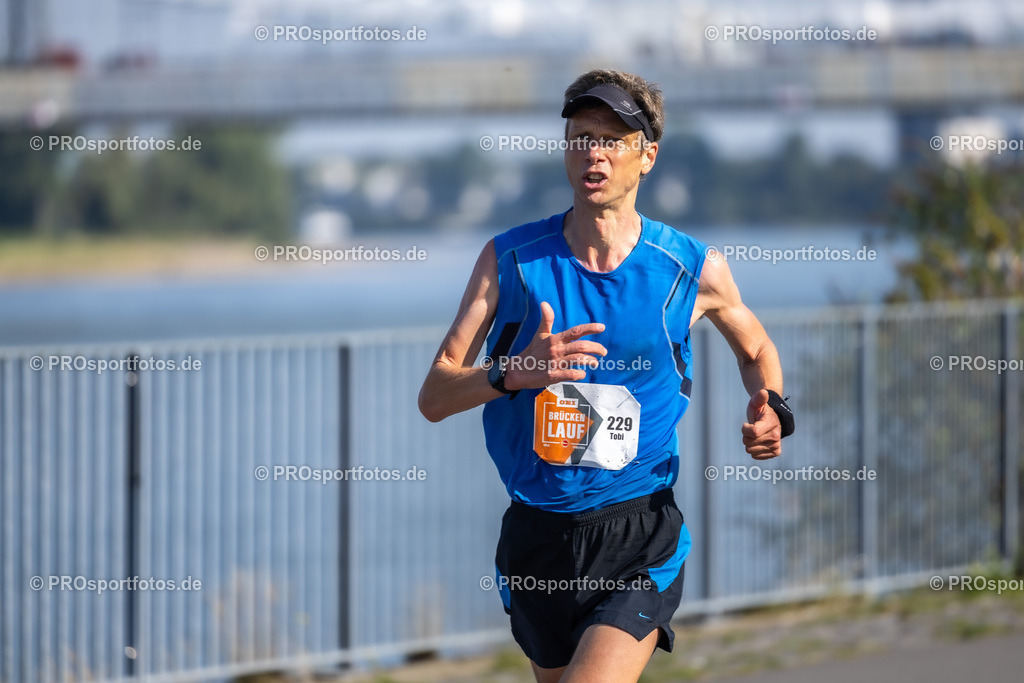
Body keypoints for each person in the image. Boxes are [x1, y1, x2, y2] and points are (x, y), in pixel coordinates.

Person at [418, 69, 794, 683]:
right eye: (581, 138)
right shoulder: (511, 260)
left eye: (612, 140)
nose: (594, 153)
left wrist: (770, 403)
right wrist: (515, 371)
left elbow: (755, 350)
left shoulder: (690, 268)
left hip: (639, 531)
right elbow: (434, 396)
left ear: (647, 156)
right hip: (537, 536)